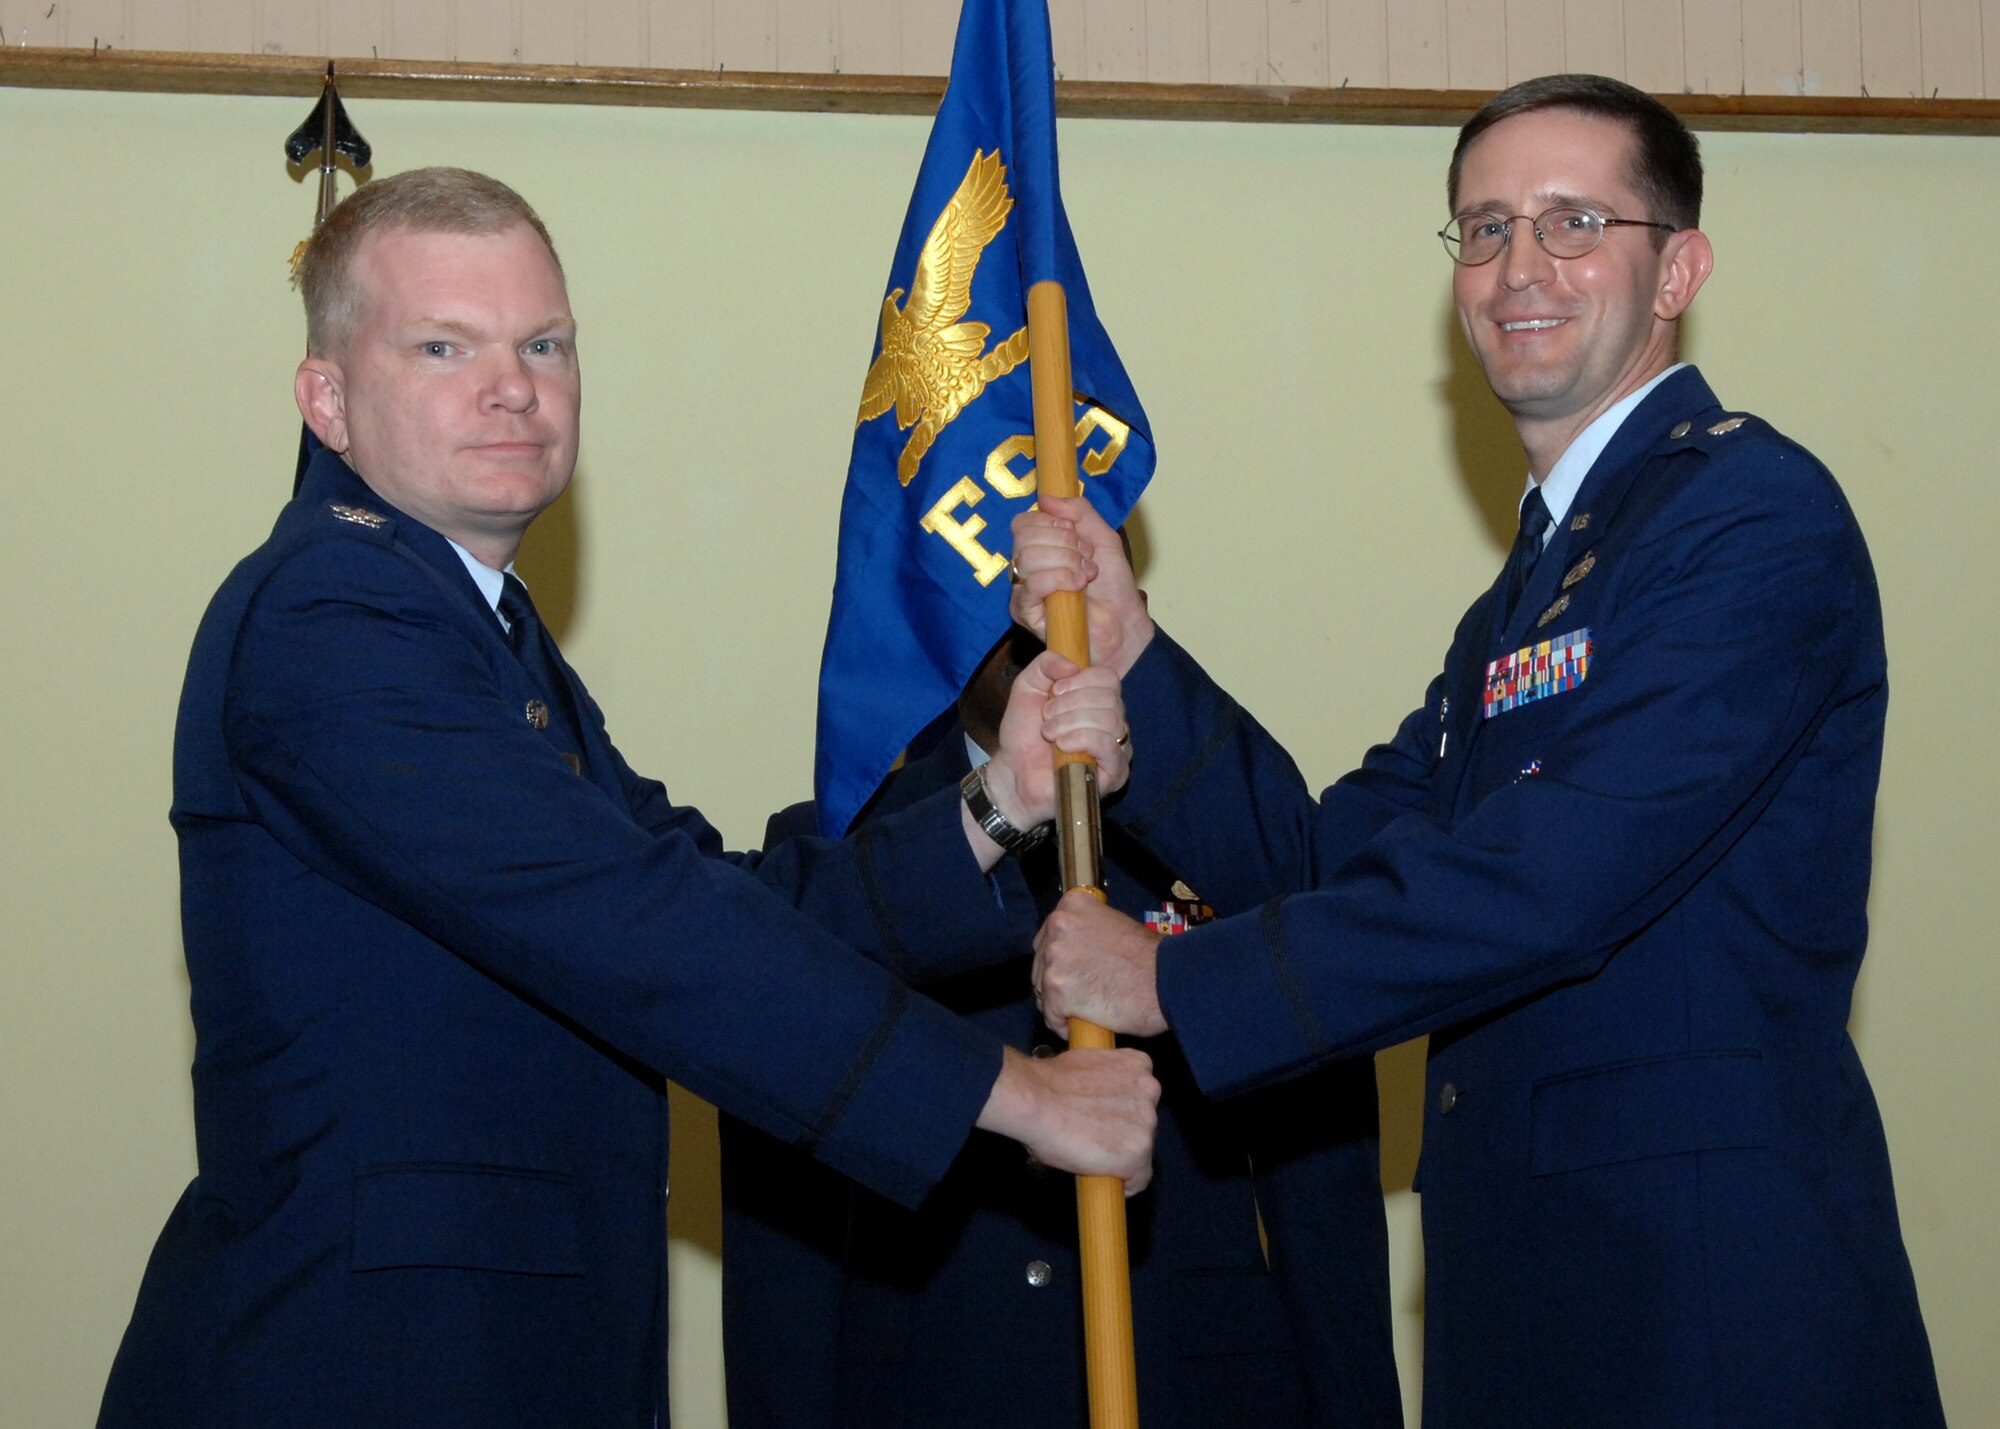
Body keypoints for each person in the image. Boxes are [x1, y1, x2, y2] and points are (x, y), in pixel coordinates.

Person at [97, 166, 1161, 1429]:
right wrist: (1015, 1096)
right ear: (325, 398)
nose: (512, 385)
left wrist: (1000, 796)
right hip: (367, 1363)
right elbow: (636, 924)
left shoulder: (475, 626)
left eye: (542, 343)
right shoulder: (332, 612)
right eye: (443, 345)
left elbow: (707, 893)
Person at [1013, 74, 1944, 1428]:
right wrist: (1137, 648)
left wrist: (1177, 980)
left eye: (1576, 223)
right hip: (1533, 1299)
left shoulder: (1750, 517)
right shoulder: (1534, 588)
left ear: (1677, 265)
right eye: (1486, 226)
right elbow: (1329, 856)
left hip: (1708, 1310)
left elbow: (1550, 883)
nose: (1522, 266)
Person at [719, 628, 1401, 1429]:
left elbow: (1320, 1180)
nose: (1038, 624)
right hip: (928, 1388)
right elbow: (783, 1233)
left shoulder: (1230, 836)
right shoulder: (835, 854)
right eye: (1001, 598)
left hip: (1196, 1385)